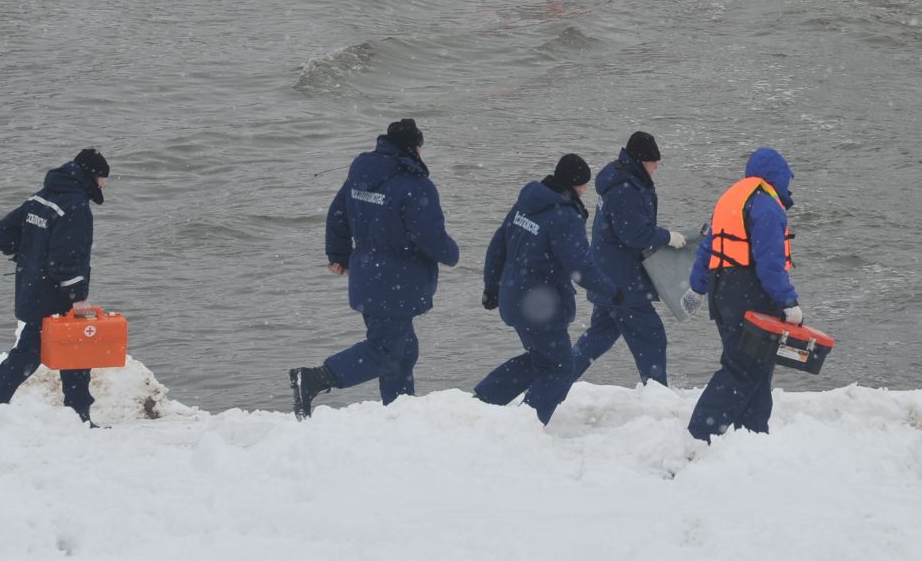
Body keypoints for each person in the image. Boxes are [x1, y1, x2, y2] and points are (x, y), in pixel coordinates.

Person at [289, 119, 458, 418]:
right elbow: (429, 236)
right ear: (414, 148)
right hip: (398, 282)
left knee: (403, 350)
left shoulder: (361, 174)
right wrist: (451, 253)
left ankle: (398, 414)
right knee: (386, 351)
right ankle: (315, 378)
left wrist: (338, 255)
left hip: (367, 276)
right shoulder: (415, 185)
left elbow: (337, 214)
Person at [474, 155, 623, 424]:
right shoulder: (564, 216)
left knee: (541, 359)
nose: (585, 191)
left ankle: (485, 399)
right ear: (576, 184)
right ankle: (526, 423)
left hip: (512, 296)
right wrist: (611, 291)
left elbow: (498, 244)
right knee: (561, 368)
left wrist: (491, 287)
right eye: (584, 185)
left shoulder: (527, 204)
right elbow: (581, 267)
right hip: (540, 305)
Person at [0, 148, 111, 424]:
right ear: (93, 176)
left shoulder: (42, 197)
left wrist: (27, 257)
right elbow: (67, 257)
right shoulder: (75, 206)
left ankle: (75, 414)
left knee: (53, 351)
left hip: (32, 289)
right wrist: (76, 296)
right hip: (55, 295)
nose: (104, 184)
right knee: (67, 350)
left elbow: (5, 233)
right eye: (104, 178)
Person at [686, 148, 800, 442]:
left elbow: (708, 248)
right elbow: (770, 265)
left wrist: (697, 287)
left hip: (722, 293)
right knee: (741, 368)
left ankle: (753, 436)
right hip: (751, 296)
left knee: (758, 369)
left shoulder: (730, 203)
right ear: (777, 177)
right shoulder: (768, 209)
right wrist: (789, 303)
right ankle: (701, 433)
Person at [572, 131, 687, 386]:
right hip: (623, 280)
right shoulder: (625, 188)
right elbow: (634, 234)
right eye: (653, 161)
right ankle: (657, 393)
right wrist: (667, 237)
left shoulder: (623, 179)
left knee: (599, 336)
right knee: (651, 336)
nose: (657, 166)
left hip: (608, 273)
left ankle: (557, 377)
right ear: (641, 160)